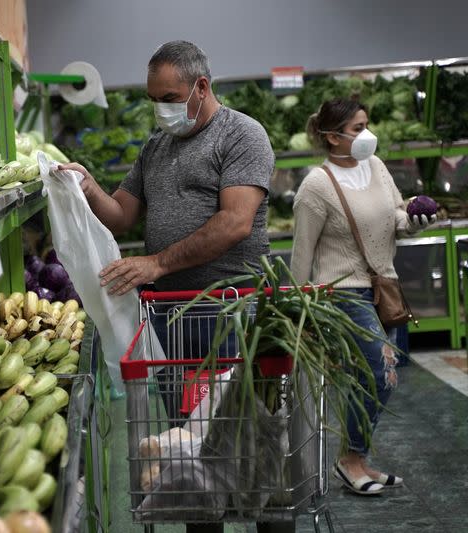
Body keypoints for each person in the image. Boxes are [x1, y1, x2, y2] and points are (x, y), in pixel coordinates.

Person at [59, 41, 288, 533]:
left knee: (248, 439)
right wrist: (87, 186)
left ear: (201, 87)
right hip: (171, 318)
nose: (160, 108)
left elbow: (234, 224)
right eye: (153, 99)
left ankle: (267, 518)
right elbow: (121, 215)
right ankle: (199, 520)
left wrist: (157, 263)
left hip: (230, 312)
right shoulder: (156, 146)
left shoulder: (242, 136)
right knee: (186, 443)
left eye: (168, 96)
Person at [291, 98, 435, 496]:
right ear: (332, 136)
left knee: (375, 378)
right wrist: (297, 312)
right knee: (381, 373)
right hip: (342, 292)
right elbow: (302, 252)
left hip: (382, 286)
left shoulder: (376, 167)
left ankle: (357, 458)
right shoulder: (315, 186)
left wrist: (417, 219)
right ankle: (349, 458)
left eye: (366, 125)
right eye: (357, 128)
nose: (366, 135)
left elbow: (396, 217)